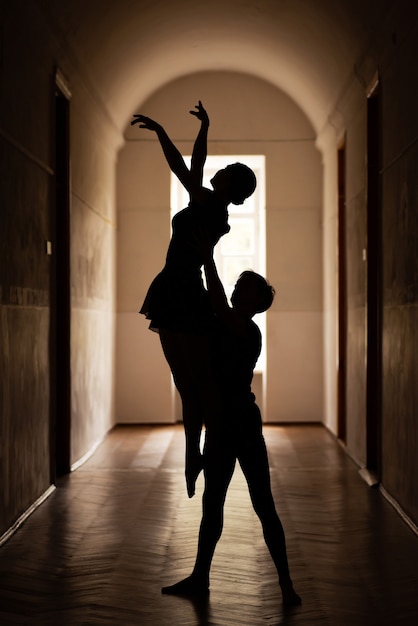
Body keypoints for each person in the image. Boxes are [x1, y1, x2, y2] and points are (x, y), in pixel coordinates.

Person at [161, 238, 302, 608]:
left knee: (264, 505)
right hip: (221, 424)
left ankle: (286, 584)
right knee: (213, 503)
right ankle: (200, 577)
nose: (237, 288)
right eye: (238, 284)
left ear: (257, 304)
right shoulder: (223, 321)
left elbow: (218, 301)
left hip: (241, 424)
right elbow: (211, 302)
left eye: (245, 287)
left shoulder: (246, 329)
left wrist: (208, 257)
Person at [131, 102, 257, 498]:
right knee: (193, 383)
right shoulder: (212, 208)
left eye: (227, 172)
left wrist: (169, 131)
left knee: (192, 383)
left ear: (230, 188)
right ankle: (193, 456)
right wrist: (186, 129)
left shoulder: (209, 207)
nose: (219, 171)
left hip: (177, 289)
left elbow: (189, 166)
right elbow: (192, 167)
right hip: (180, 289)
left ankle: (194, 455)